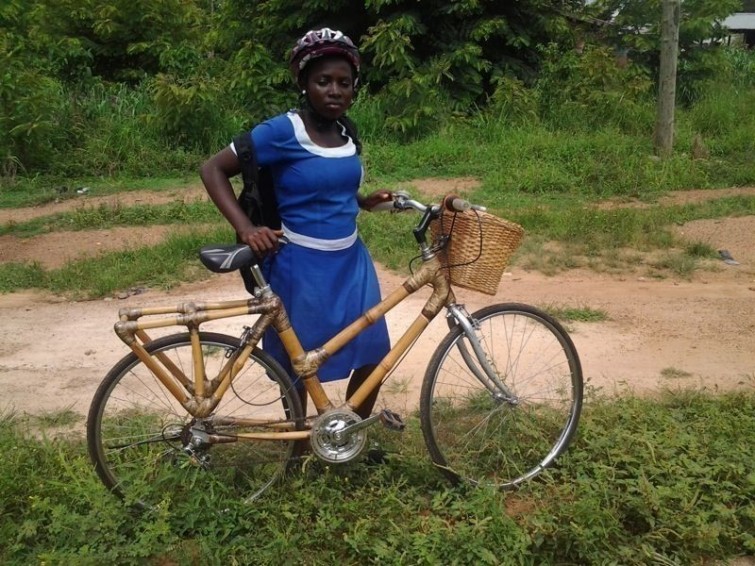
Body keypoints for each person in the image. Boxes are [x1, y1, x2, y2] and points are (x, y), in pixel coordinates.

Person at [200, 28, 392, 421]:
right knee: (300, 363)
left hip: (352, 264)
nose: (335, 91)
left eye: (344, 82)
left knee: (374, 350)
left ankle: (348, 432)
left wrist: (363, 202)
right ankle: (300, 446)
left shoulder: (346, 132)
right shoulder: (282, 131)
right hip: (301, 266)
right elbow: (213, 169)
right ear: (304, 84)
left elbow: (327, 187)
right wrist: (245, 229)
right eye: (323, 81)